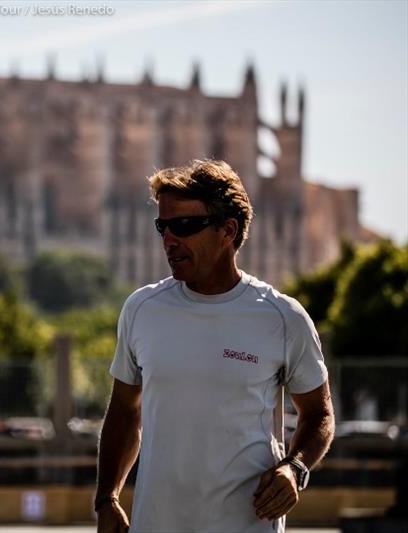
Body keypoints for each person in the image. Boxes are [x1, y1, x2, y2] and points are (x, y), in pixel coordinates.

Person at [95, 160, 335, 533]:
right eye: (163, 226)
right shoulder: (141, 309)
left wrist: (295, 468)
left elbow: (319, 415)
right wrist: (107, 498)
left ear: (228, 231)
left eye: (185, 226)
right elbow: (125, 413)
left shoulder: (282, 317)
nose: (169, 239)